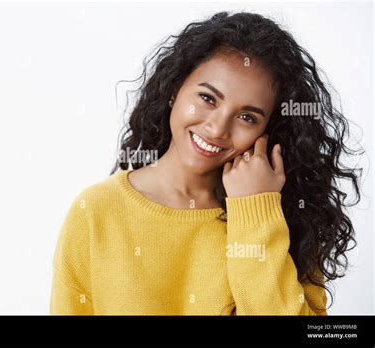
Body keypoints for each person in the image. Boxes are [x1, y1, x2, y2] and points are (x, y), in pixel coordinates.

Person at [49, 11, 362, 315]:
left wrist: (254, 211)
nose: (217, 128)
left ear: (269, 131)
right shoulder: (96, 211)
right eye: (208, 98)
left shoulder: (286, 218)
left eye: (246, 117)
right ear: (174, 88)